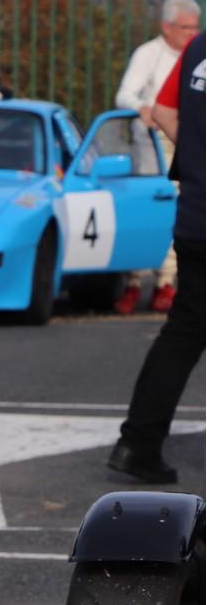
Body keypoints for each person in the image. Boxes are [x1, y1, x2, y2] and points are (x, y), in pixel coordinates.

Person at [108, 30, 204, 486]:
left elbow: (163, 111)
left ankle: (138, 444)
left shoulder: (198, 47)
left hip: (195, 218)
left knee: (183, 333)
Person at [112, 0, 200, 314]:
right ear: (167, 27)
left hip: (186, 141)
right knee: (149, 208)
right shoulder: (148, 54)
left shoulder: (196, 53)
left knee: (180, 208)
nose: (192, 33)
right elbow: (125, 94)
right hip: (152, 142)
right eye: (185, 27)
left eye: (195, 27)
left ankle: (166, 282)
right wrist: (142, 107)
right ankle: (134, 281)